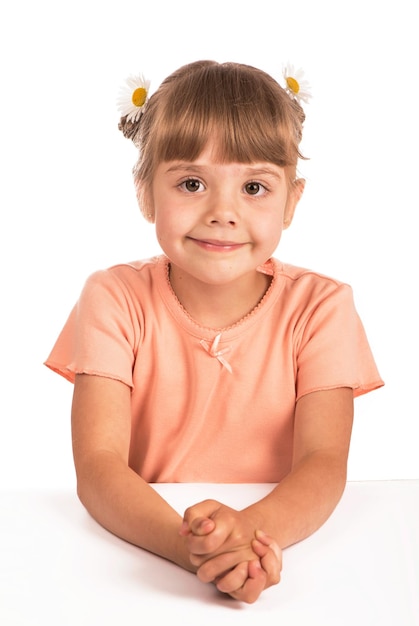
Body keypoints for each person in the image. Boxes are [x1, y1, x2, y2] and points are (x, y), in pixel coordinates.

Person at [45, 60, 384, 603]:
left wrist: (250, 532)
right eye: (192, 183)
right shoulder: (113, 297)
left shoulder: (322, 307)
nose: (223, 212)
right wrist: (198, 549)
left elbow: (324, 463)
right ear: (145, 193)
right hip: (140, 552)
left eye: (253, 186)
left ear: (291, 201)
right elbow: (98, 466)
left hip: (279, 537)